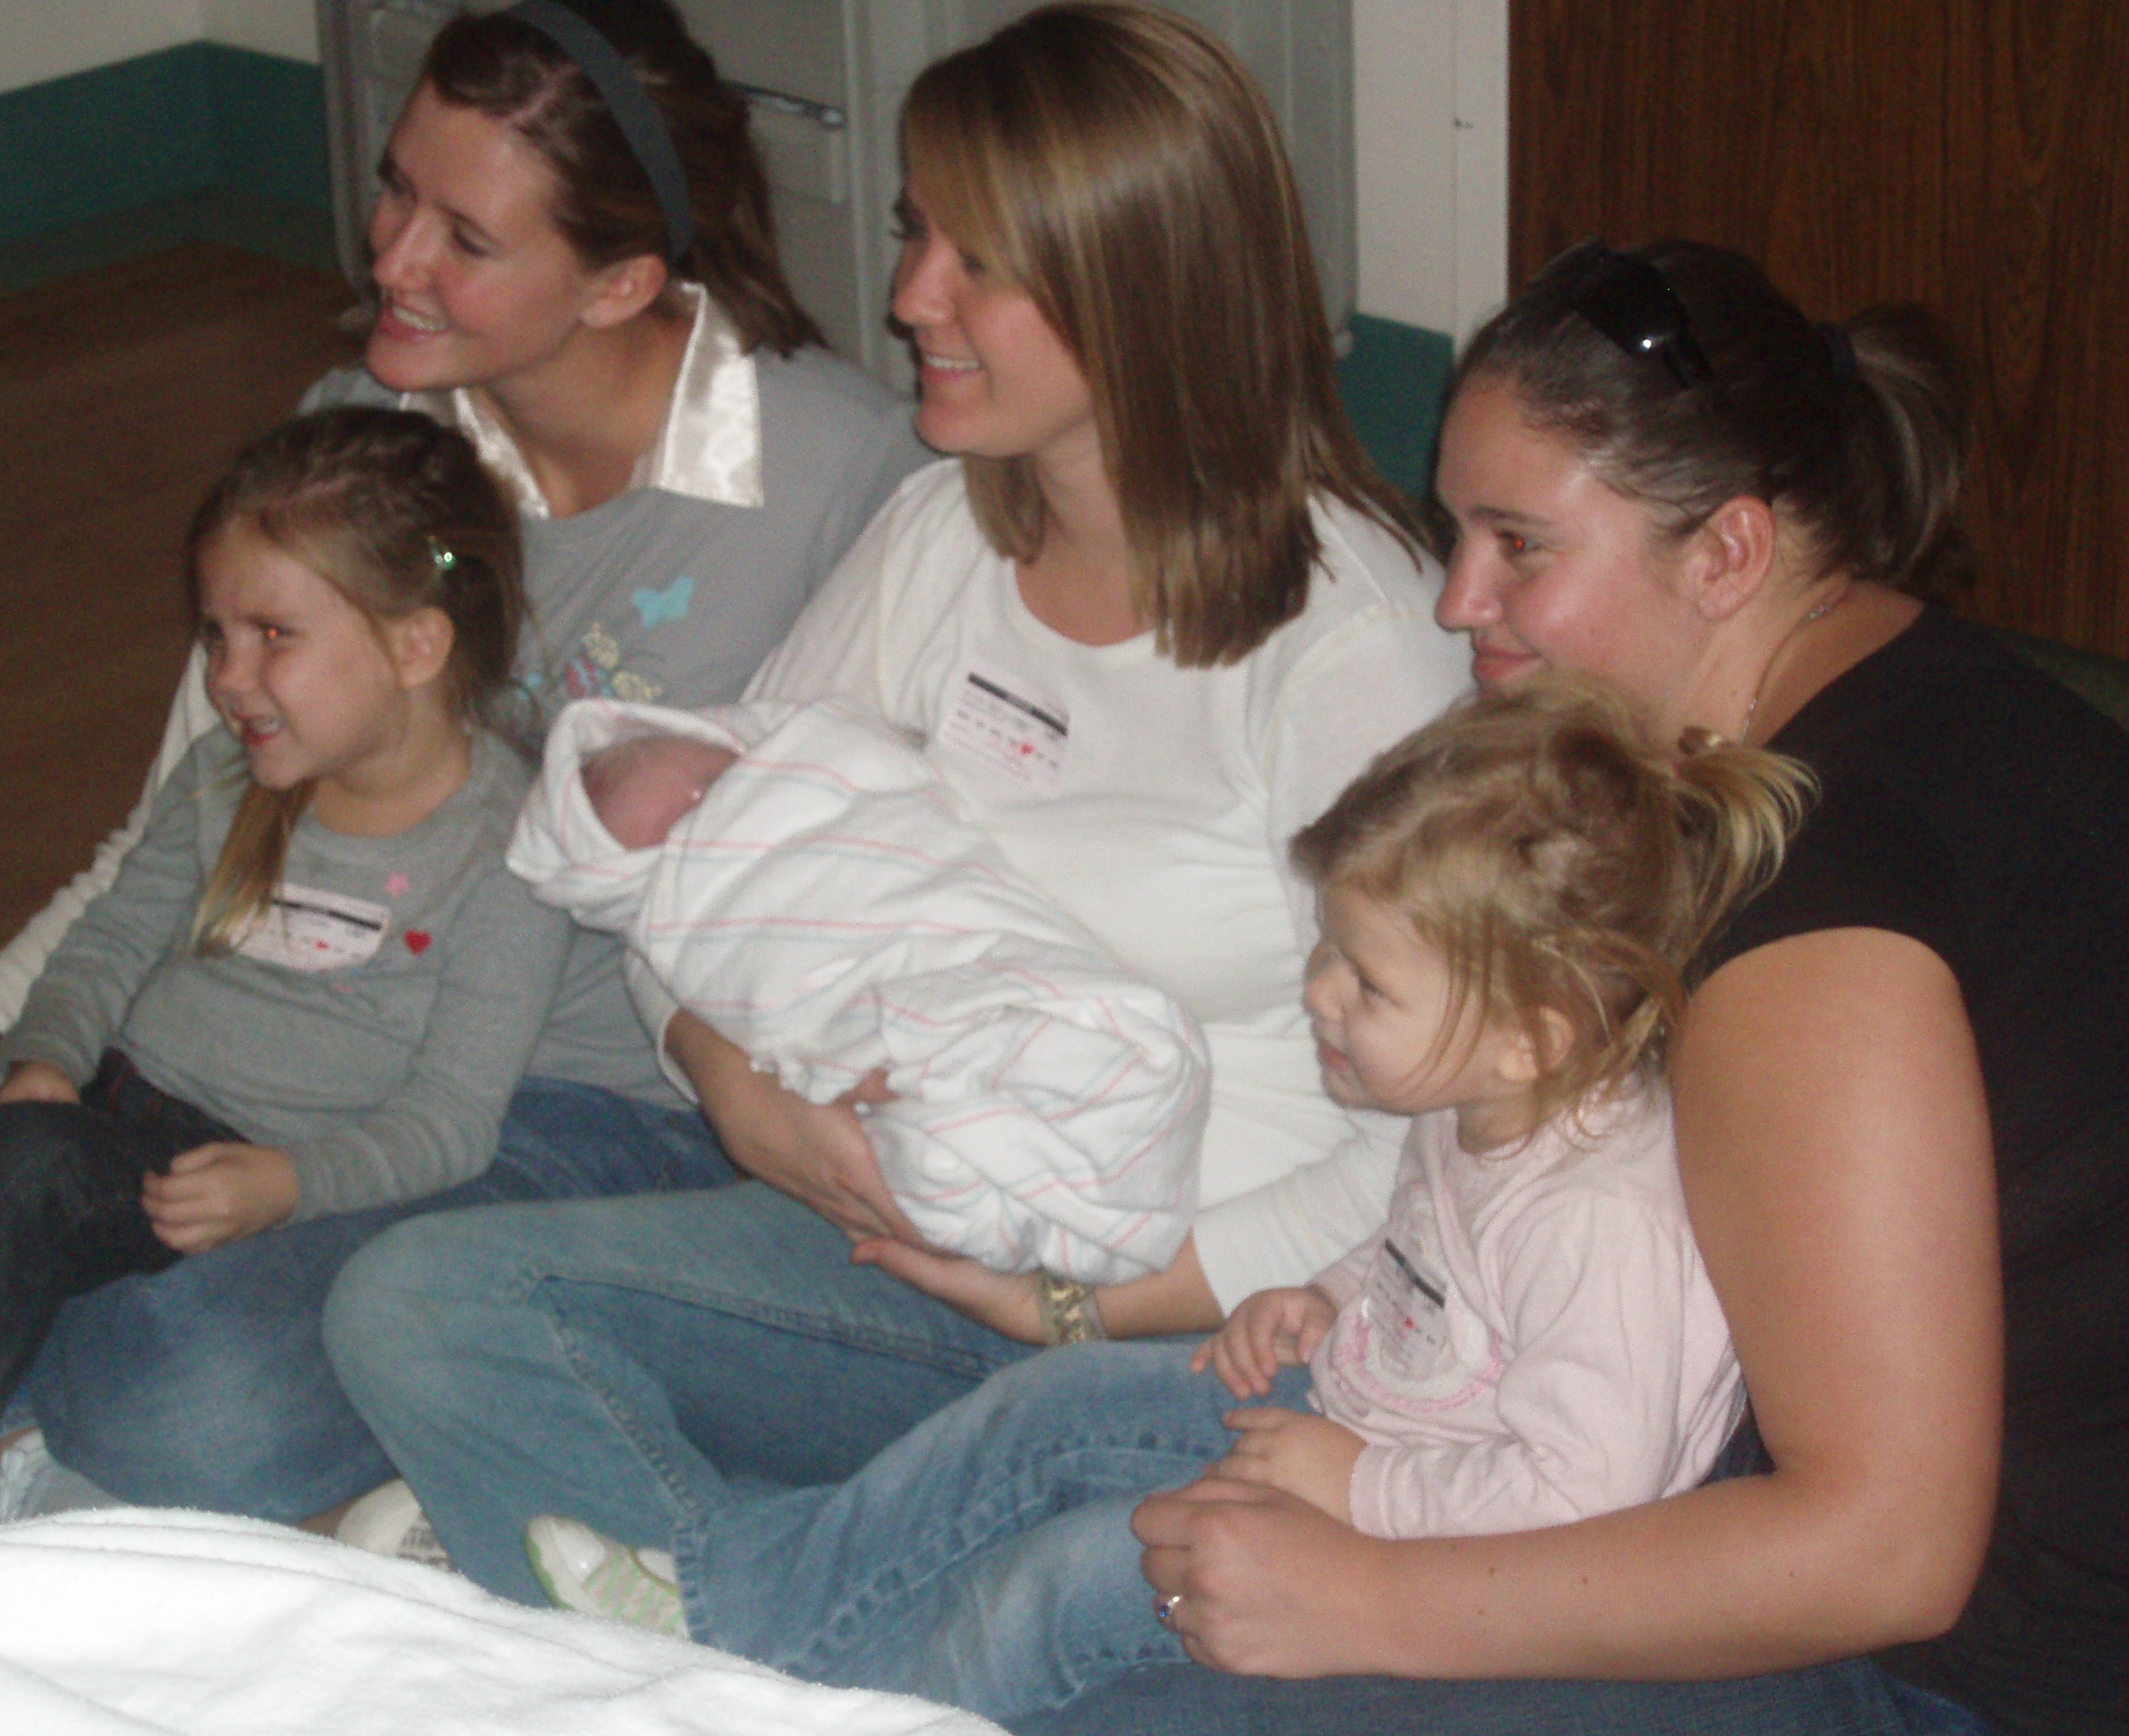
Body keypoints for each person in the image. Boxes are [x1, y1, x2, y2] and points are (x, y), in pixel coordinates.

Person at [324, 1, 1471, 1606]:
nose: (909, 296)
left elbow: (1444, 1149)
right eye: (916, 233)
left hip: (1202, 1315)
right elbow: (700, 857)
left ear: (1138, 286)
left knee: (1054, 1581)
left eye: (975, 263)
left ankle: (698, 1579)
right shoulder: (944, 536)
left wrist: (1083, 1311)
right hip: (881, 1232)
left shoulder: (1354, 646)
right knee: (410, 1307)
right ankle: (735, 1574)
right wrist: (732, 1084)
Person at [991, 242, 2129, 1734]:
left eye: (1520, 545)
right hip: (1699, 1474)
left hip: (1970, 1675)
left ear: (1727, 553)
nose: (1458, 599)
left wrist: (1367, 1602)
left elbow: (1884, 1554)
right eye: (1454, 532)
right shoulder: (1923, 700)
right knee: (1072, 1445)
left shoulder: (1813, 910)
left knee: (1111, 1640)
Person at [0, 0, 927, 1523]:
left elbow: (908, 860)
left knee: (184, 1395)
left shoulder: (840, 478)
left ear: (623, 281)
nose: (392, 258)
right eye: (397, 188)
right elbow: (174, 827)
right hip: (274, 1022)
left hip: (582, 1098)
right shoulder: (357, 430)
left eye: (465, 237)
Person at [517, 674, 1808, 1708]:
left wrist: (1356, 1488)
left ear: (1530, 1037)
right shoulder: (1479, 1096)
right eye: (1328, 948)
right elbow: (1433, 1255)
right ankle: (734, 1608)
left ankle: (838, 1706)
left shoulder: (1599, 1218)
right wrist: (1325, 1295)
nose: (1319, 995)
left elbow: (1585, 1499)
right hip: (1370, 1427)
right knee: (1053, 1403)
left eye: (1366, 983)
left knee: (1082, 1575)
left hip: (1469, 1547)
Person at [0, 408, 563, 1545]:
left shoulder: (508, 849)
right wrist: (45, 1056)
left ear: (415, 646)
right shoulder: (226, 775)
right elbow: (109, 944)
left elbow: (452, 1123)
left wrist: (290, 1184)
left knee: (27, 1167)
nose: (228, 679)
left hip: (210, 1166)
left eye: (272, 636)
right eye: (216, 637)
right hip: (88, 1104)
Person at [507, 693, 1206, 1283]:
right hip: (860, 1111)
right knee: (942, 1135)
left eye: (718, 788)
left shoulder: (803, 768)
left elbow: (850, 761)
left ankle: (1018, 1130)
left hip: (974, 960)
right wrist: (731, 1079)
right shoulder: (914, 583)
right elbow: (670, 947)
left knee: (1091, 1040)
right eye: (683, 830)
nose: (711, 810)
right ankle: (981, 1157)